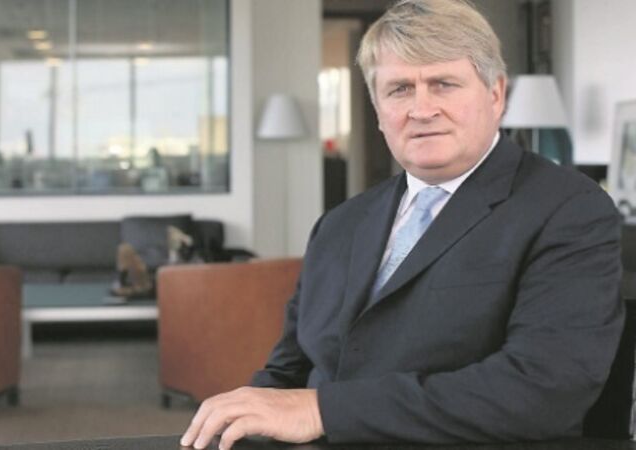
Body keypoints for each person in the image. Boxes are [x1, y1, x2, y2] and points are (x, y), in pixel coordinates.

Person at [180, 0, 624, 448]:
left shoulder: (569, 210)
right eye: (399, 89)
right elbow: (290, 370)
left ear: (496, 94)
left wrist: (323, 411)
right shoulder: (339, 224)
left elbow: (543, 390)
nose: (421, 109)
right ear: (377, 110)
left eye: (443, 84)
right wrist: (242, 416)